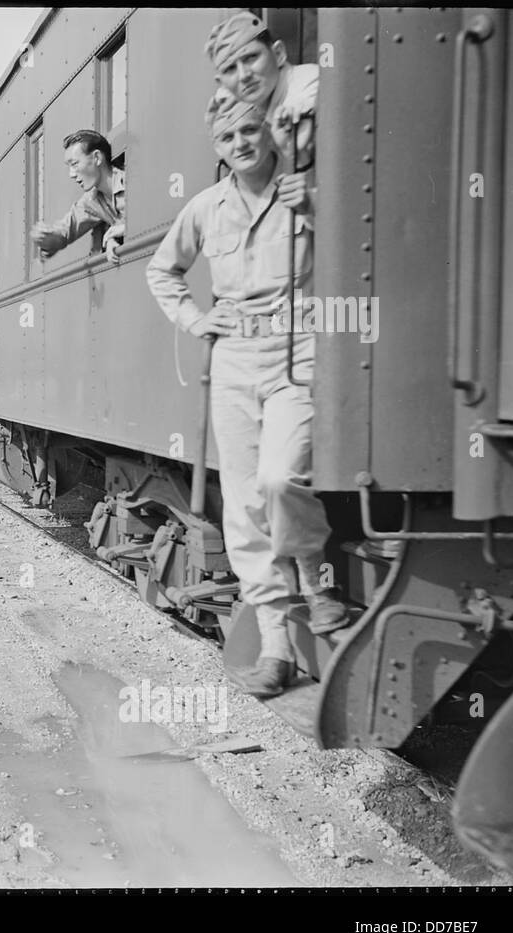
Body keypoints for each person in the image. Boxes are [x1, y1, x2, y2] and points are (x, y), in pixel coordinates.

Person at [144, 88, 347, 699]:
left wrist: (317, 204)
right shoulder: (206, 207)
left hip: (297, 352)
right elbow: (162, 269)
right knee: (243, 502)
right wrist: (196, 319)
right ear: (219, 148)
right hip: (233, 360)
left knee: (282, 477)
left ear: (269, 134)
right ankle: (278, 648)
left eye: (249, 131)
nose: (241, 143)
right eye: (229, 138)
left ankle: (315, 578)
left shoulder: (306, 192)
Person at [206, 10, 317, 172]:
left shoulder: (306, 94)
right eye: (230, 69)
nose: (244, 76)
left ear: (278, 53)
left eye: (251, 58)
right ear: (222, 83)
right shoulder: (258, 98)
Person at [30, 129, 126, 263]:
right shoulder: (91, 200)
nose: (72, 174)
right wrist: (49, 240)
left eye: (75, 164)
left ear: (97, 158)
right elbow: (65, 231)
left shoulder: (131, 180)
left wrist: (121, 231)